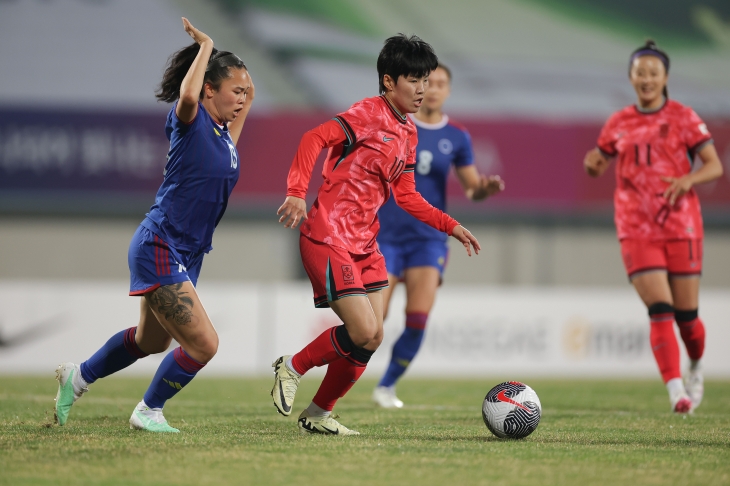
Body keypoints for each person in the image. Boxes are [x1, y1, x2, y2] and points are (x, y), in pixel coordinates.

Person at [272, 34, 480, 435]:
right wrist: (297, 193)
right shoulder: (367, 113)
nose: (422, 89)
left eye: (426, 80)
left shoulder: (409, 133)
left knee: (373, 336)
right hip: (329, 235)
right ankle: (292, 366)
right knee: (364, 330)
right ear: (389, 81)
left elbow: (407, 197)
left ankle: (318, 414)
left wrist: (450, 225)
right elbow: (313, 138)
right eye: (414, 79)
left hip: (365, 244)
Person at [54, 18, 254, 432]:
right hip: (161, 243)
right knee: (204, 344)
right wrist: (207, 47)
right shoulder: (190, 119)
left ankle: (79, 376)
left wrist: (242, 82)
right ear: (209, 90)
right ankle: (148, 410)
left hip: (186, 252)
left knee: (152, 342)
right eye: (235, 90)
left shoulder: (225, 137)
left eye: (245, 92)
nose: (242, 98)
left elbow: (243, 96)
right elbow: (187, 94)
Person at [583, 40, 723, 414]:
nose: (646, 79)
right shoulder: (618, 122)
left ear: (665, 77)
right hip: (635, 226)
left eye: (653, 73)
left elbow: (713, 165)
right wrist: (593, 165)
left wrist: (687, 181)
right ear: (631, 77)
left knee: (687, 318)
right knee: (660, 309)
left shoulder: (683, 117)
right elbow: (598, 162)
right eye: (639, 72)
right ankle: (676, 391)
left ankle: (694, 365)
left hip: (681, 225)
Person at [372, 64, 504, 408]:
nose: (432, 89)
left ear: (448, 90)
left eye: (440, 83)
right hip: (385, 234)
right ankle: (339, 380)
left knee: (417, 318)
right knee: (373, 321)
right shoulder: (395, 124)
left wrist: (484, 189)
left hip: (428, 240)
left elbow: (471, 188)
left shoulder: (457, 136)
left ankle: (386, 386)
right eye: (426, 82)